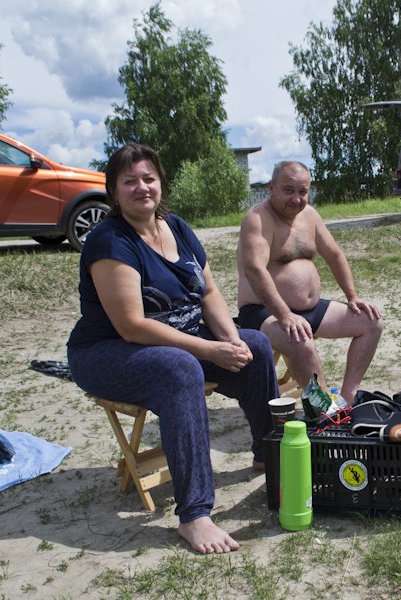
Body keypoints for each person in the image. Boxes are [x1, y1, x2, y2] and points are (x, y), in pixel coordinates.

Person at [67, 143, 278, 554]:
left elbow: (209, 291)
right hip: (107, 352)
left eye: (149, 178)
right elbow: (131, 326)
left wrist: (230, 341)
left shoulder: (176, 227)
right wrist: (210, 350)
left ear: (161, 183)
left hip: (178, 340)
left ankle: (267, 453)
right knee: (181, 369)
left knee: (254, 344)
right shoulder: (109, 241)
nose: (142, 187)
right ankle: (195, 515)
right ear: (113, 191)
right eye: (130, 181)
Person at [236, 161, 383, 402]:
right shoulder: (258, 218)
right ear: (272, 188)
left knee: (371, 322)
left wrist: (352, 297)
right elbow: (254, 270)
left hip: (307, 311)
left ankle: (349, 396)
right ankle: (325, 408)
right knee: (300, 340)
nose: (296, 199)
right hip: (263, 312)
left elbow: (335, 255)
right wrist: (284, 315)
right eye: (288, 191)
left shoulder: (310, 215)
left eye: (302, 192)